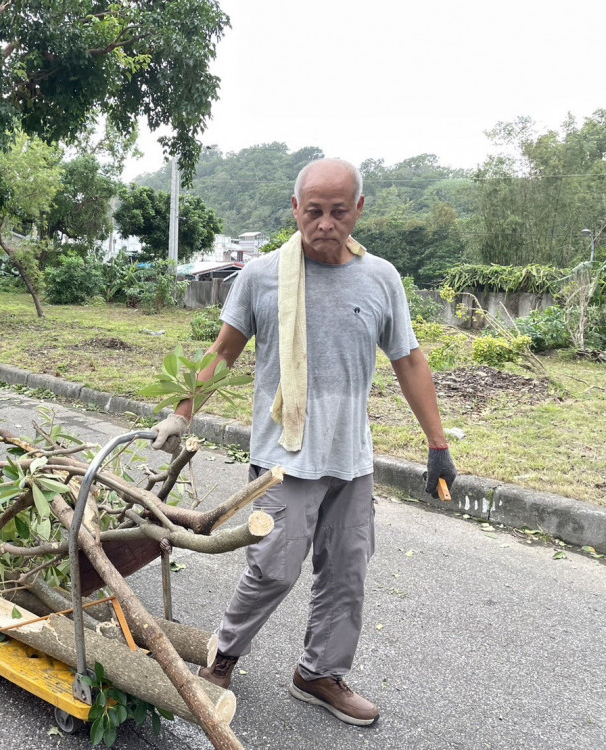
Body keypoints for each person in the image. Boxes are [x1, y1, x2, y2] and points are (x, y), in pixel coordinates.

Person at [151, 158, 456, 726]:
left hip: (351, 456)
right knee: (273, 567)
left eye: (338, 212)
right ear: (294, 209)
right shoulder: (262, 276)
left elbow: (409, 360)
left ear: (359, 210)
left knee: (346, 571)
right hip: (283, 458)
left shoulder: (381, 278)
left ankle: (319, 673)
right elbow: (223, 352)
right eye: (312, 211)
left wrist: (437, 445)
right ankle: (220, 659)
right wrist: (182, 413)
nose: (324, 224)